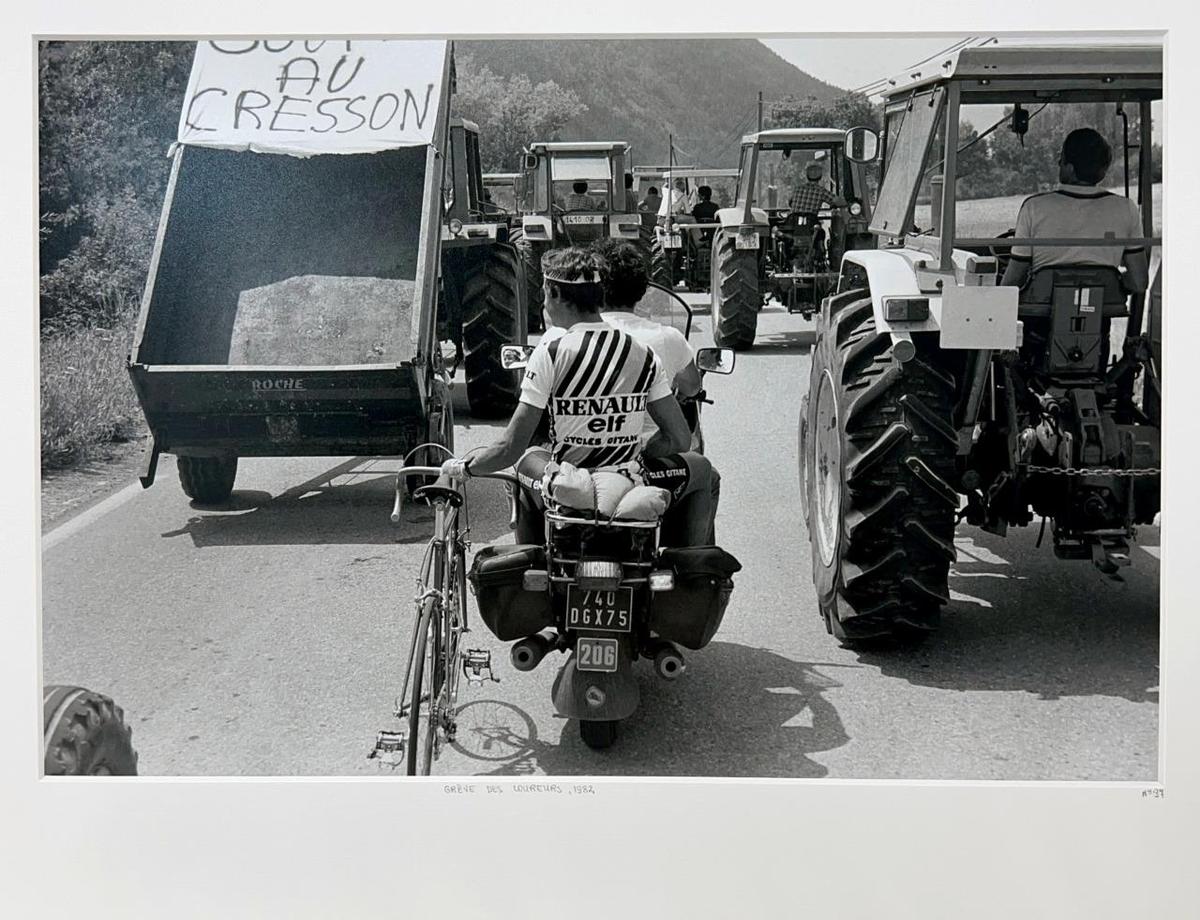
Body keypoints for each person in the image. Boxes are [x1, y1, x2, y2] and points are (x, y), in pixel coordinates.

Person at [441, 247, 718, 548]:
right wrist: (639, 453)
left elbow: (511, 446)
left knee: (522, 463)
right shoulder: (643, 354)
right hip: (627, 479)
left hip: (567, 482)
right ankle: (689, 572)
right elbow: (678, 437)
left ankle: (532, 556)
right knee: (703, 469)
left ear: (558, 294)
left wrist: (466, 467)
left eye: (545, 293)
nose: (543, 302)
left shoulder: (551, 351)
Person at [1000, 127, 1149, 292]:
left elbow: (1012, 283)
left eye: (1061, 158)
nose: (1058, 163)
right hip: (1100, 314)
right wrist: (1108, 284)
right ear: (1102, 169)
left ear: (1070, 167)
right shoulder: (1126, 209)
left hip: (1040, 313)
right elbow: (1138, 282)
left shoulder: (1033, 207)